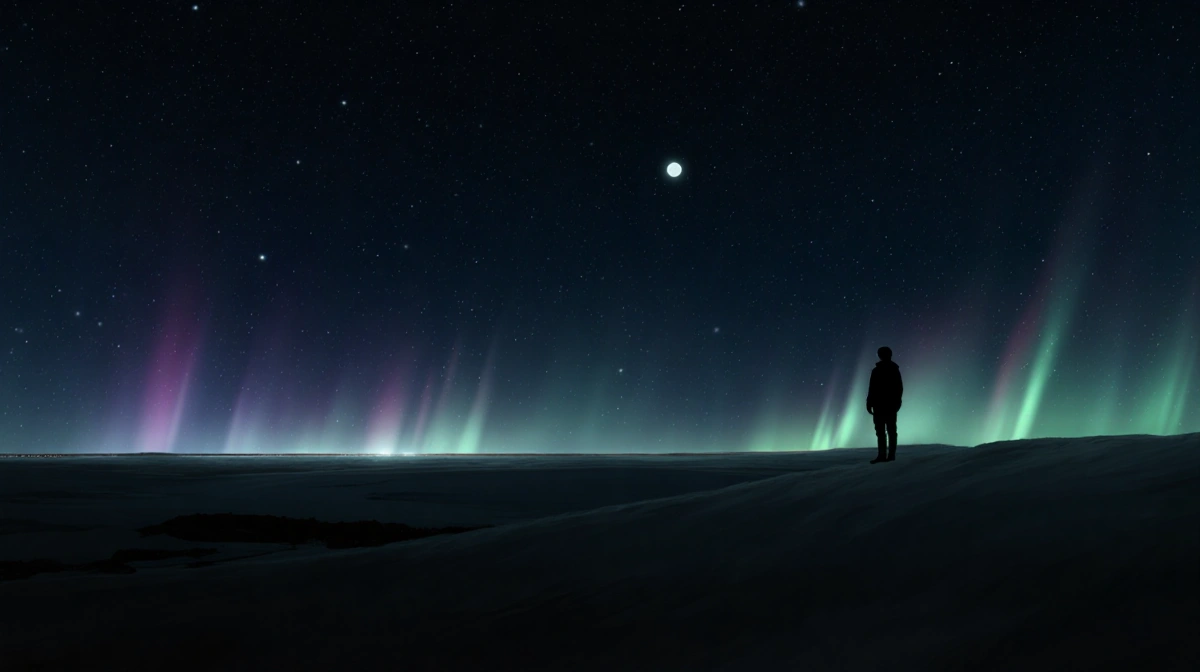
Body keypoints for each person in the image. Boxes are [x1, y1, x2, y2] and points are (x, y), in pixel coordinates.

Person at [866, 346, 903, 463]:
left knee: (891, 430)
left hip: (889, 405)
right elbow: (871, 388)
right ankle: (882, 456)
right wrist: (869, 402)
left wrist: (897, 402)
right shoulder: (876, 371)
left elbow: (899, 388)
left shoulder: (893, 369)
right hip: (879, 406)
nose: (881, 355)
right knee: (880, 431)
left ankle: (890, 456)